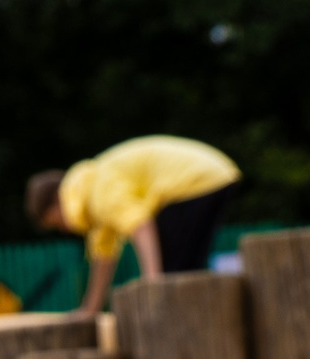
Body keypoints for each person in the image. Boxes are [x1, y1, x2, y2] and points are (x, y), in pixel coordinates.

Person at [27, 135, 240, 316]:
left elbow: (141, 224)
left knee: (174, 279)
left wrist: (153, 282)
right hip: (209, 174)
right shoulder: (92, 196)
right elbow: (103, 257)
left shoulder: (97, 193)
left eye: (56, 224)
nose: (63, 229)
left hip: (193, 179)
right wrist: (90, 310)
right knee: (185, 274)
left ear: (56, 203)